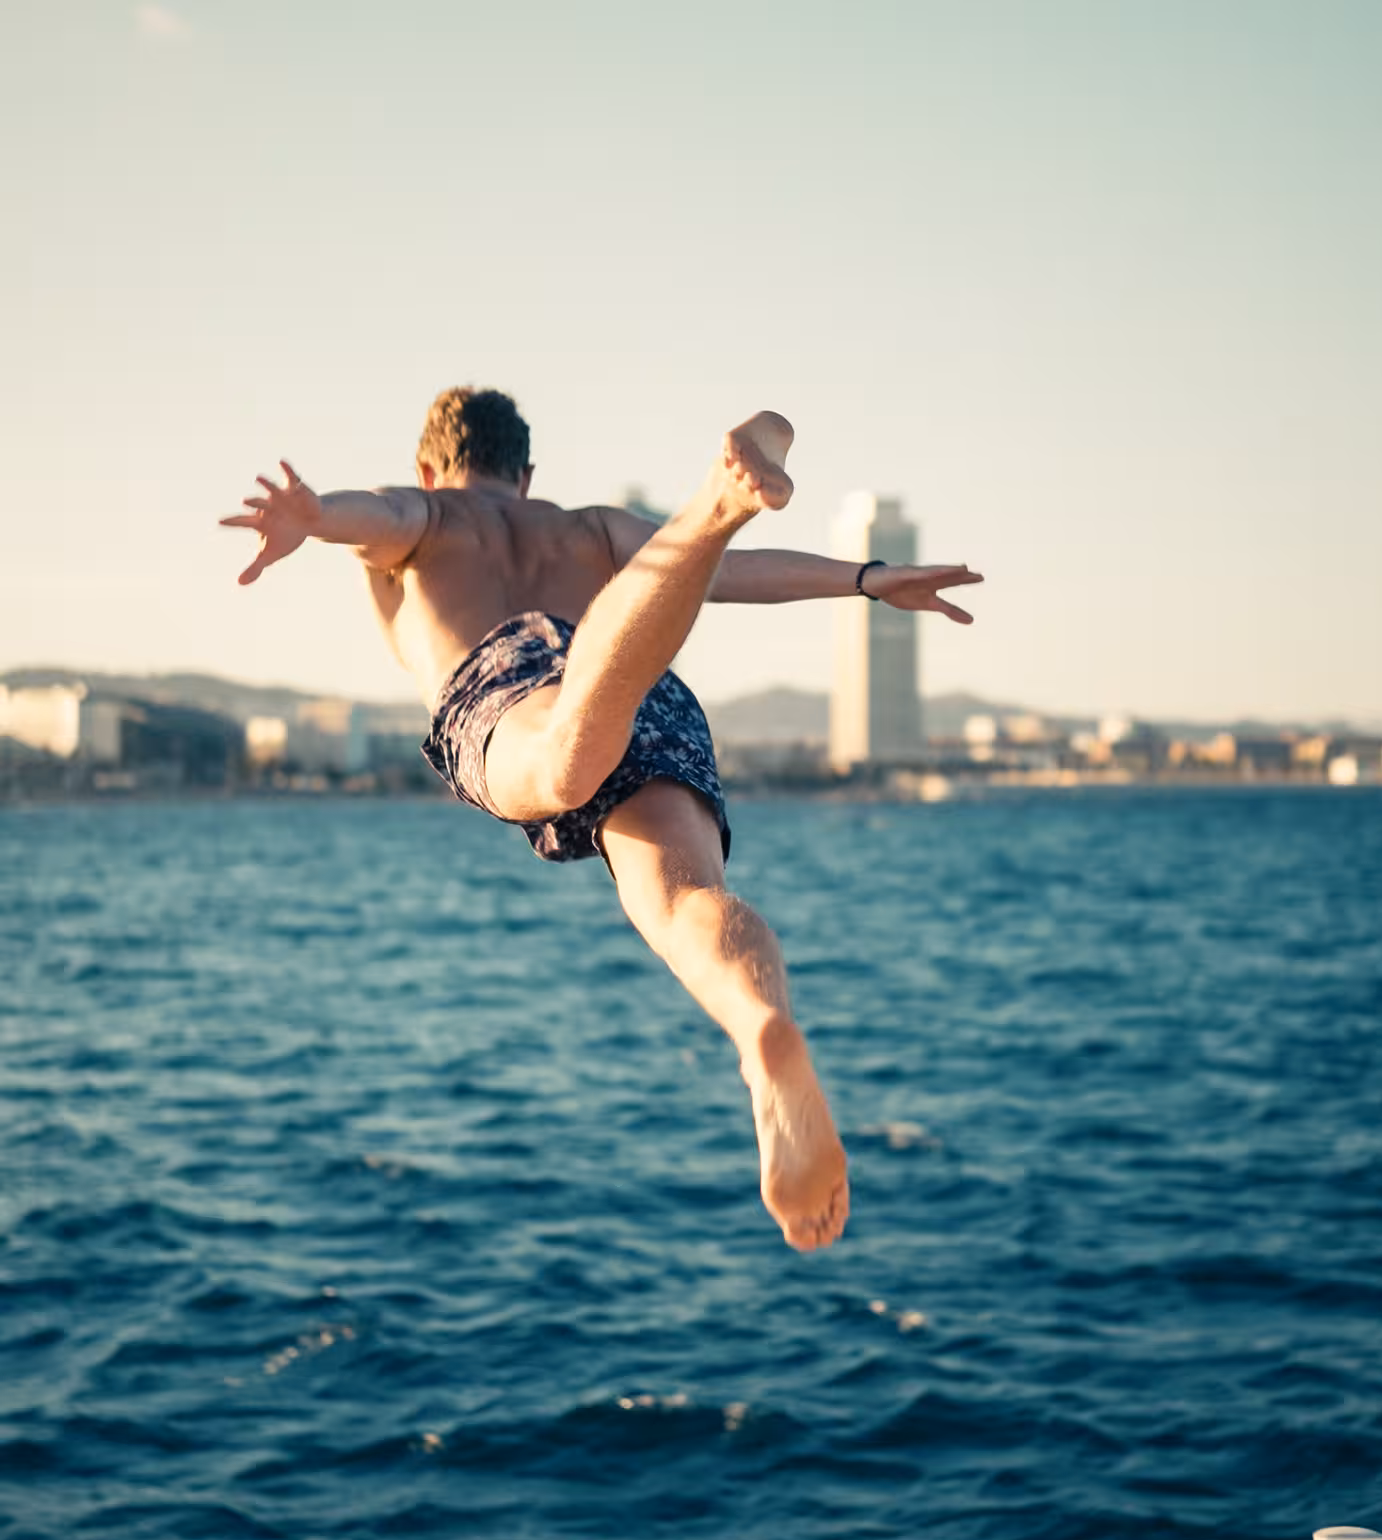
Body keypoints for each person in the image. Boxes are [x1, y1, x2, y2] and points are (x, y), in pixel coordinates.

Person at [221, 390, 981, 1250]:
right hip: (646, 681)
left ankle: (701, 524)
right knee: (681, 899)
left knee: (560, 753)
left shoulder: (427, 515)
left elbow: (373, 515)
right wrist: (867, 579)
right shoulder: (589, 528)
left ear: (430, 466)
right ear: (529, 475)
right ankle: (757, 1024)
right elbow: (739, 575)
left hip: (516, 689)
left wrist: (315, 515)